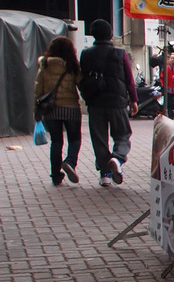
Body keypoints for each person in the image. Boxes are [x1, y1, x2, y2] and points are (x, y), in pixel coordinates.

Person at [78, 19, 137, 186]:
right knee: (122, 135)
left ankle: (105, 175)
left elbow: (81, 78)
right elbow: (129, 79)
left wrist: (86, 96)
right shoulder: (120, 53)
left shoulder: (86, 54)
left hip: (95, 102)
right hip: (117, 101)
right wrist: (133, 100)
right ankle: (117, 159)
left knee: (99, 139)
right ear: (110, 34)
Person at [33, 32, 83, 186]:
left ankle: (55, 175)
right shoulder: (72, 65)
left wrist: (36, 111)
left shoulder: (45, 65)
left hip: (51, 109)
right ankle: (70, 162)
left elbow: (38, 89)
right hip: (71, 108)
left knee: (56, 142)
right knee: (75, 139)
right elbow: (81, 84)